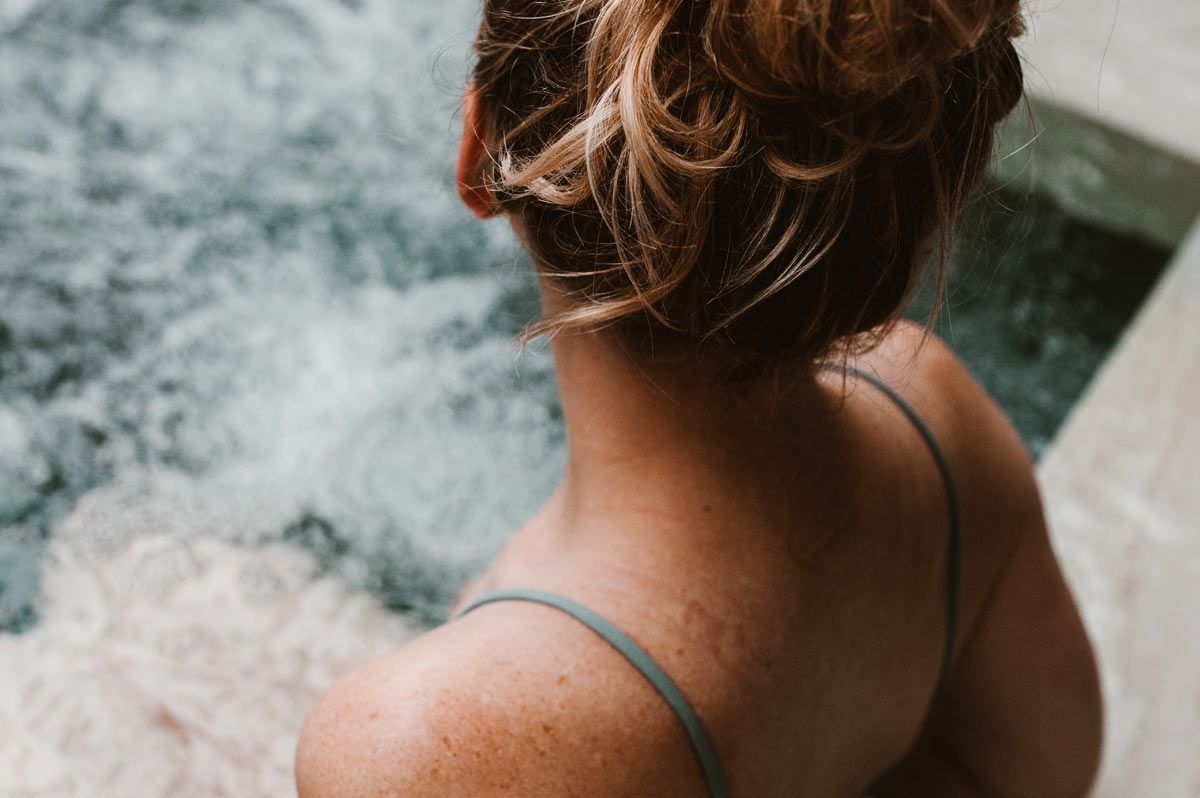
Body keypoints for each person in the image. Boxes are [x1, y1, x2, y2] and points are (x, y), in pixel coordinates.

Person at [295, 0, 1103, 794]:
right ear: (905, 226)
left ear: (477, 155)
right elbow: (1037, 769)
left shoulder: (418, 746)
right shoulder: (930, 414)